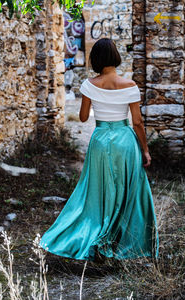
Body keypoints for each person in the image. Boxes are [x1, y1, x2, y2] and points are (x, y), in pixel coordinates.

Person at [40, 38, 159, 261]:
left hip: (101, 141)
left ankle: (89, 238)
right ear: (115, 57)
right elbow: (138, 122)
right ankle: (124, 244)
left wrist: (96, 99)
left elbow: (83, 118)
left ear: (95, 60)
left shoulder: (88, 85)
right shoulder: (130, 86)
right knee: (128, 191)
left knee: (96, 192)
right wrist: (145, 150)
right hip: (125, 141)